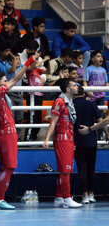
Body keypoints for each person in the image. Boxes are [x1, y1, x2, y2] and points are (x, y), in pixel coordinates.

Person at [0, 53, 41, 209]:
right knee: (9, 168)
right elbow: (16, 78)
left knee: (2, 168)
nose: (7, 83)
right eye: (4, 81)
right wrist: (28, 62)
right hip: (7, 132)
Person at [43, 78, 82, 208]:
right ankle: (67, 199)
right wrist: (47, 139)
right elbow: (53, 122)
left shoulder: (70, 102)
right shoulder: (59, 102)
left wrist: (72, 141)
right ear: (67, 89)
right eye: (74, 85)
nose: (77, 87)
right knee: (66, 171)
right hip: (62, 139)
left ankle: (59, 197)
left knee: (63, 171)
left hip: (69, 139)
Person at [74, 86, 108, 204]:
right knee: (91, 168)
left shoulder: (71, 105)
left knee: (82, 168)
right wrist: (106, 133)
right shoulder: (91, 104)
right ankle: (92, 193)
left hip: (77, 139)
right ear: (84, 93)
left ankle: (84, 194)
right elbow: (101, 120)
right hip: (91, 140)